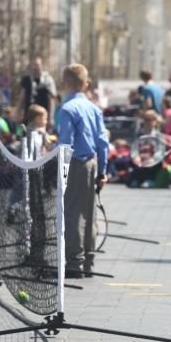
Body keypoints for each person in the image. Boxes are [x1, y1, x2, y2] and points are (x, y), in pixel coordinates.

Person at [56, 64, 109, 278]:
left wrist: (60, 167)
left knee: (73, 214)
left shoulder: (67, 109)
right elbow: (103, 142)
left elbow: (65, 143)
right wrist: (103, 171)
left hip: (75, 163)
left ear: (65, 83)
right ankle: (88, 261)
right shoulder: (94, 108)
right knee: (89, 215)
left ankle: (73, 264)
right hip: (92, 163)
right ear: (85, 84)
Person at [19, 57, 57, 128]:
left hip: (42, 116)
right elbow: (22, 97)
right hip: (29, 116)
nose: (35, 67)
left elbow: (51, 100)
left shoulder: (48, 80)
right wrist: (18, 112)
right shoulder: (27, 80)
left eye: (37, 65)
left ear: (41, 66)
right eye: (33, 65)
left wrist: (50, 117)